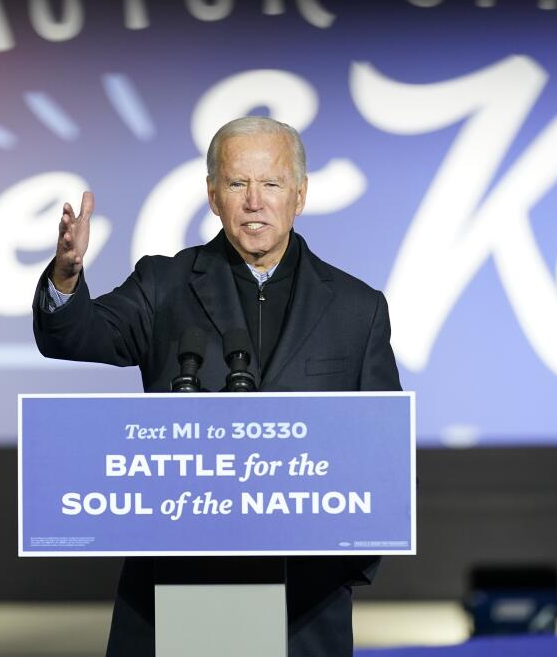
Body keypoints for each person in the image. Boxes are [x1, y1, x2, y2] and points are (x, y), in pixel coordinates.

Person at [32, 116, 402, 657]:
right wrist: (66, 274)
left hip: (303, 599)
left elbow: (383, 450)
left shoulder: (356, 308)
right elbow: (75, 334)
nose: (254, 201)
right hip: (184, 586)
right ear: (212, 196)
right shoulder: (164, 286)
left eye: (271, 184)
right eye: (237, 184)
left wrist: (343, 567)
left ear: (299, 195)